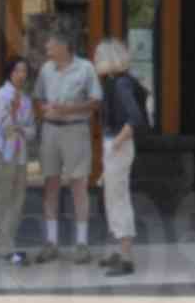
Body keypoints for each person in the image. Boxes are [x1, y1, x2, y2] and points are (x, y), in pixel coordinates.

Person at [34, 29, 99, 262]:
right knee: (50, 184)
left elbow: (95, 102)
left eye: (50, 46)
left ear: (64, 47)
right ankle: (51, 242)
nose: (47, 50)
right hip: (50, 130)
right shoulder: (45, 69)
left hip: (76, 130)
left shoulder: (86, 68)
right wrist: (44, 108)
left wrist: (68, 109)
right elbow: (39, 97)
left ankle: (82, 244)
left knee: (78, 185)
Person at [92, 35, 149, 277]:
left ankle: (125, 257)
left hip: (118, 145)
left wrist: (114, 144)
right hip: (118, 146)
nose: (95, 60)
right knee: (113, 199)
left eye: (98, 57)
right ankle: (119, 250)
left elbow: (135, 119)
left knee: (118, 200)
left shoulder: (120, 84)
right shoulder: (118, 81)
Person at [0, 54, 36, 266]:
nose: (21, 75)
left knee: (17, 201)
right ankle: (3, 247)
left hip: (21, 157)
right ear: (9, 72)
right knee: (2, 202)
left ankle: (9, 244)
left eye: (24, 71)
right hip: (3, 155)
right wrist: (18, 123)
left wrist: (21, 128)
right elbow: (6, 128)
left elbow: (32, 130)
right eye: (17, 70)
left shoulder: (26, 99)